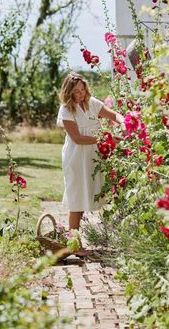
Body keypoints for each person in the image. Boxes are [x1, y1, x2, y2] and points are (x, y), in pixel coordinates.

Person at [56, 72, 125, 231]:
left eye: (83, 89)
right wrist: (105, 139)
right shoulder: (66, 110)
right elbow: (77, 138)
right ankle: (73, 243)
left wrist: (123, 124)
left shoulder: (92, 103)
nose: (81, 94)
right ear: (69, 92)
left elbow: (115, 115)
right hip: (76, 155)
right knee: (77, 199)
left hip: (93, 154)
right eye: (76, 91)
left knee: (86, 195)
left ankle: (74, 242)